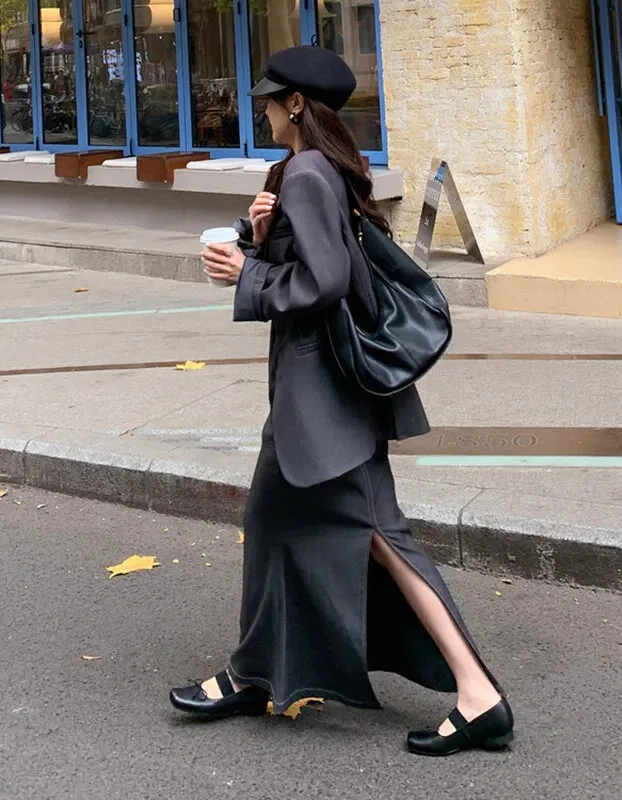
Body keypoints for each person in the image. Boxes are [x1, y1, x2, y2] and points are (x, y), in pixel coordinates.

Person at [169, 45, 514, 757]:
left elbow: (323, 282)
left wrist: (248, 274)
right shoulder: (317, 172)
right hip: (317, 397)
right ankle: (253, 673)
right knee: (273, 523)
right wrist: (259, 245)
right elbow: (323, 263)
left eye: (270, 98)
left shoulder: (304, 174)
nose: (260, 107)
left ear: (297, 105)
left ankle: (479, 695)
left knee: (385, 538)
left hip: (323, 399)